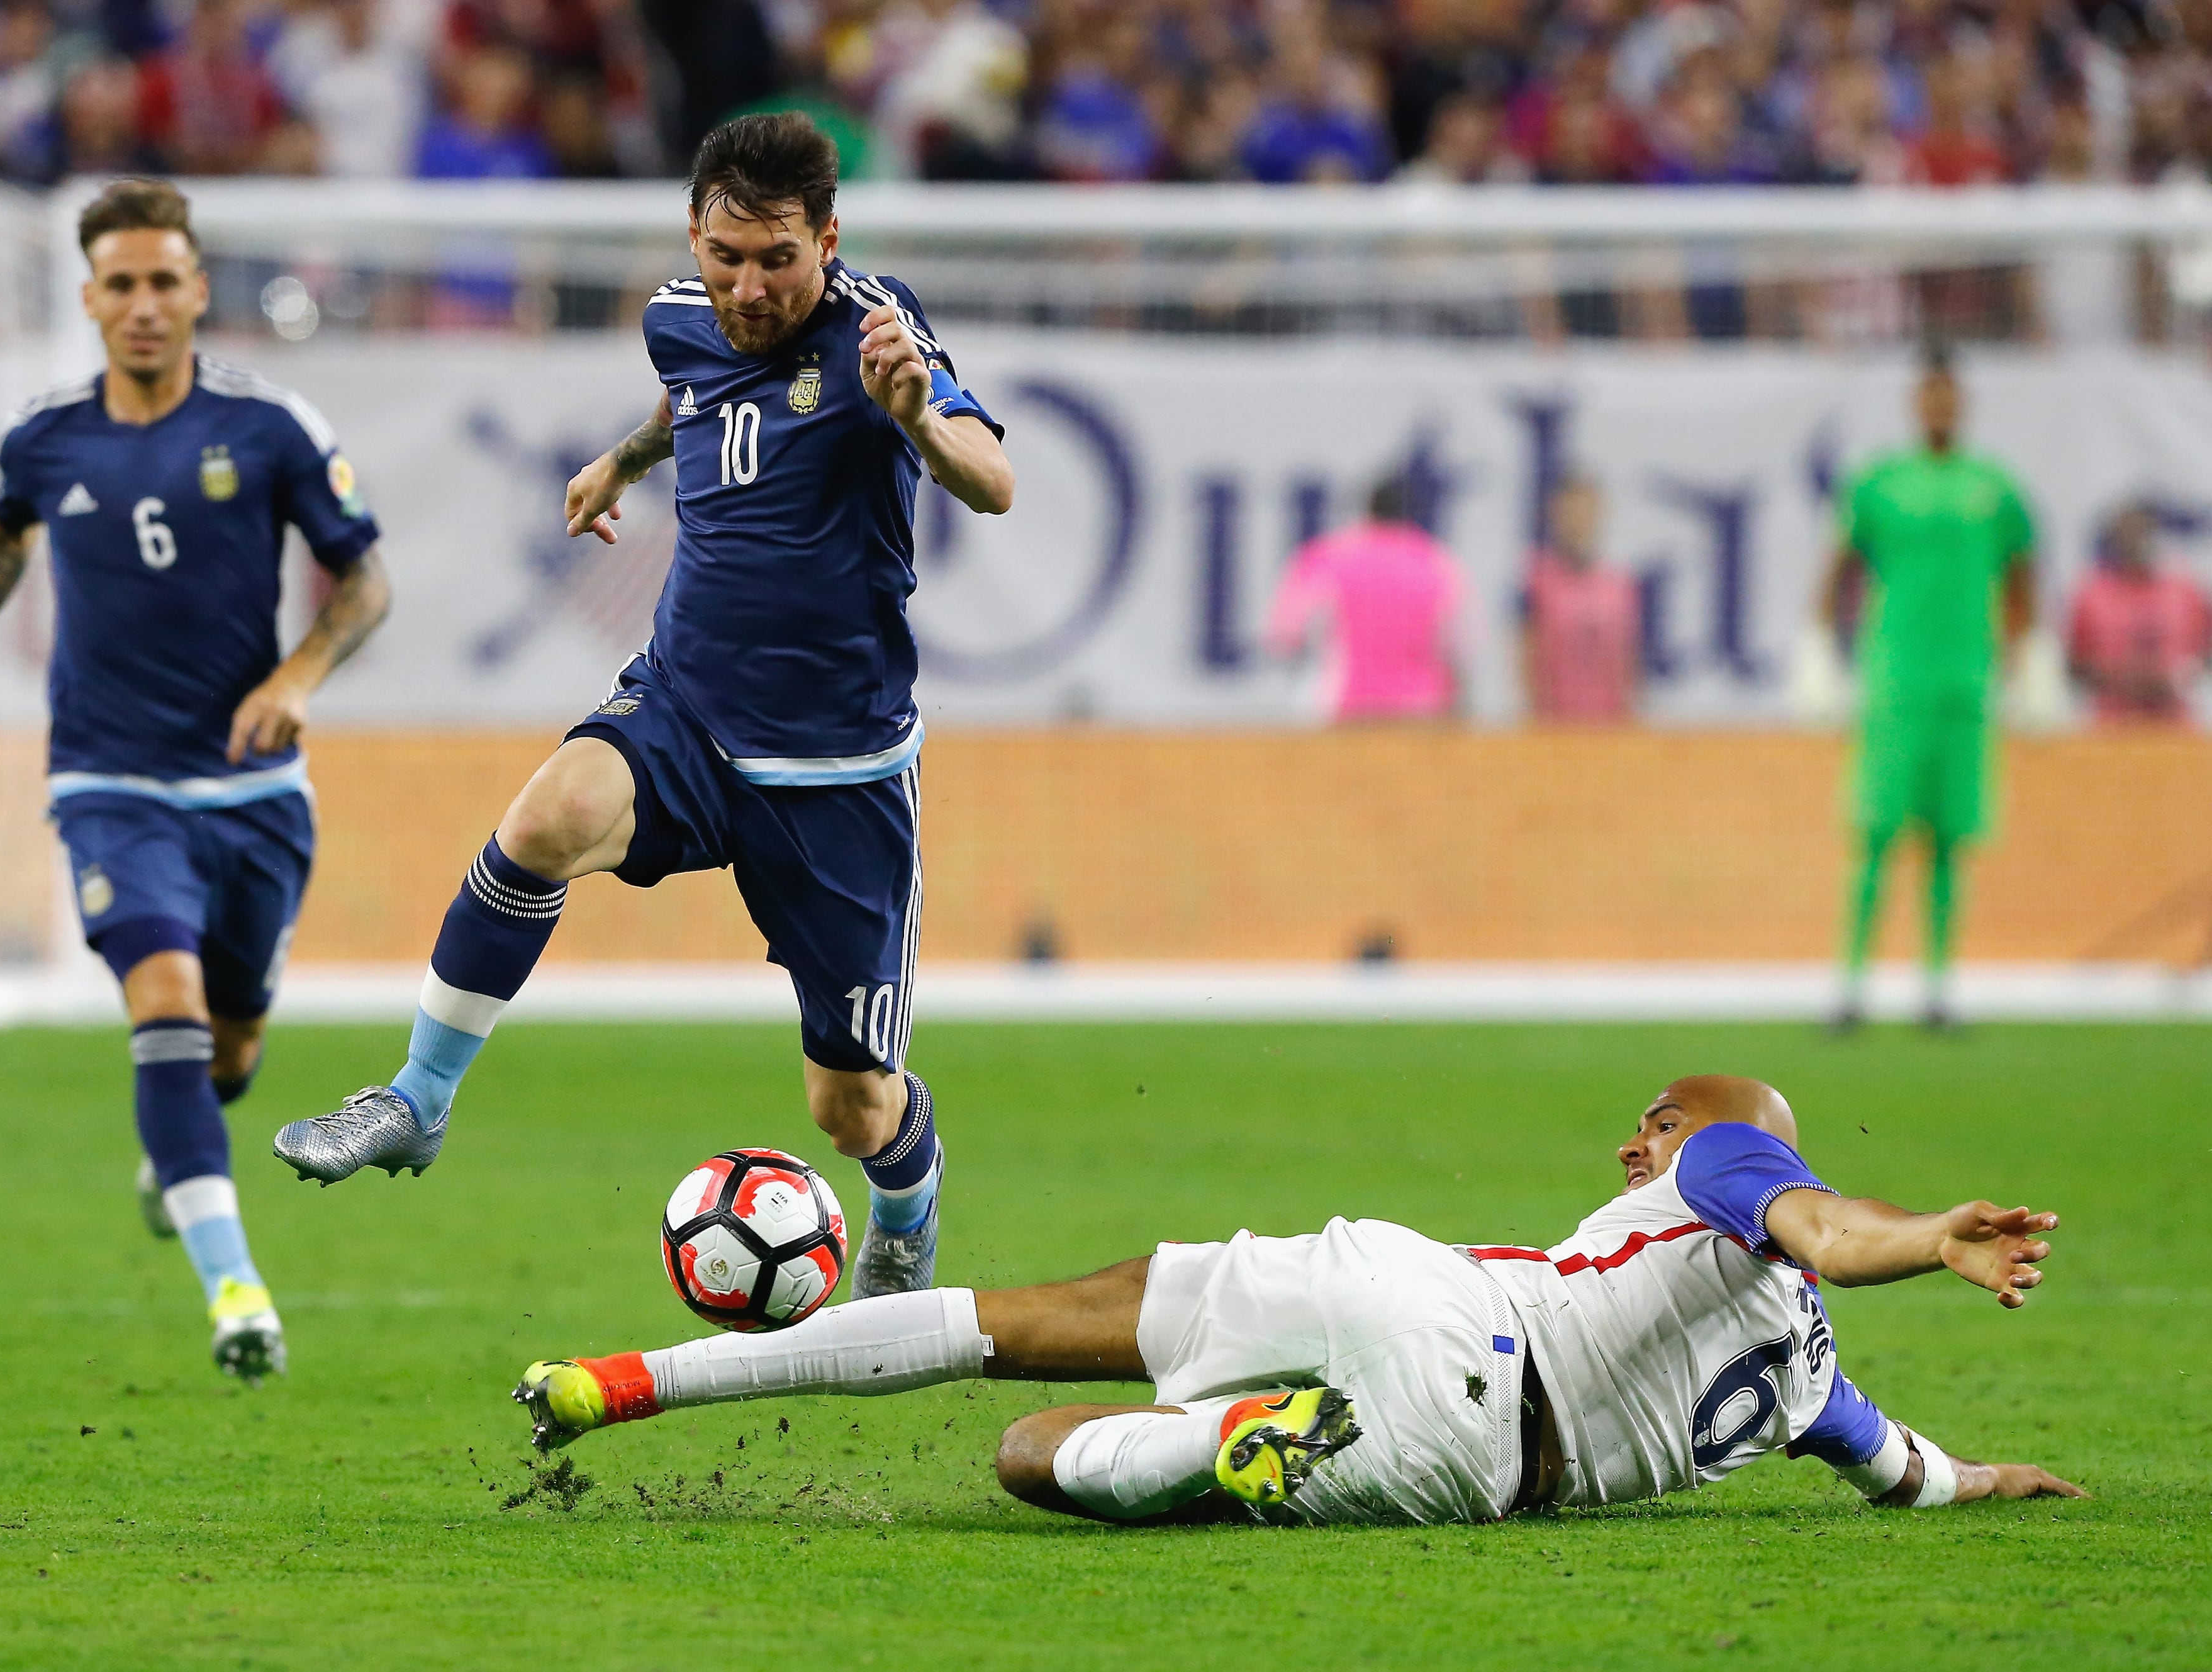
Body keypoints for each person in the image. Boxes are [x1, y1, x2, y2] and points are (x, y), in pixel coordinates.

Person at [274, 114, 1013, 1303]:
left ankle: (909, 1202)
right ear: (695, 233)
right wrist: (618, 465)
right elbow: (691, 403)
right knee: (548, 816)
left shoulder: (881, 328)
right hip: (687, 708)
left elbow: (995, 482)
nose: (750, 286)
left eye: (779, 259)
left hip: (837, 769)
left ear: (828, 238)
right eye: (728, 256)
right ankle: (416, 1098)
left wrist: (919, 413)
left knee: (851, 1103)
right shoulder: (677, 313)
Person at [510, 1074, 2080, 1527]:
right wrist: (1991, 1477)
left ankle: (629, 1380)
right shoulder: (1809, 1390)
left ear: (1702, 1133)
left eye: (1651, 1122)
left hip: (1423, 1294)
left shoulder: (1734, 1164)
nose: (1632, 1142)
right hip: (1463, 1466)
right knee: (1047, 1459)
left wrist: (1920, 1228)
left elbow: (1818, 1221)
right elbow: (1904, 1464)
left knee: (1021, 1321)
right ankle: (1223, 1447)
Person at [0, 179, 392, 1382]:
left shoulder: (272, 428)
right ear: (90, 298)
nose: (145, 305)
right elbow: (4, 532)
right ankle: (237, 1294)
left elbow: (364, 582)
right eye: (122, 284)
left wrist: (301, 676)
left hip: (254, 790)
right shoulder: (46, 434)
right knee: (159, 1000)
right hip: (108, 782)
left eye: (166, 281)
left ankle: (178, 1151)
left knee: (227, 1049)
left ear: (200, 290)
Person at [1816, 342, 2036, 1031]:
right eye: (1930, 393)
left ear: (1960, 401)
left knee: (1950, 840)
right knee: (1877, 834)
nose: (1940, 405)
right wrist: (1822, 648)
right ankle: (1850, 987)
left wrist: (2024, 655)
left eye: (1949, 393)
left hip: (1965, 684)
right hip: (1896, 680)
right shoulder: (1882, 483)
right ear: (1917, 401)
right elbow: (1840, 569)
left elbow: (2023, 575)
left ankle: (1938, 988)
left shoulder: (1993, 488)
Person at [1266, 476, 1466, 724]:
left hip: (1342, 704)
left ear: (1368, 509)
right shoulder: (1436, 561)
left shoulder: (1327, 557)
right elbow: (1460, 648)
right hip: (1420, 708)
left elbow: (1284, 637)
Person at [2067, 502, 2211, 726]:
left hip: (2175, 724)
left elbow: (2206, 653)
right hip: (2111, 727)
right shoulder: (2091, 594)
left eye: (2142, 532)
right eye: (2128, 534)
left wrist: (2181, 676)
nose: (2136, 541)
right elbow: (2074, 664)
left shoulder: (2184, 591)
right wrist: (2122, 680)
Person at [1522, 475, 1639, 722]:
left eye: (1585, 511)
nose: (1578, 521)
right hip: (1554, 727)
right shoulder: (1537, 582)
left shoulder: (1619, 585)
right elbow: (1525, 659)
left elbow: (1629, 662)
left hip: (1609, 725)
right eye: (1570, 512)